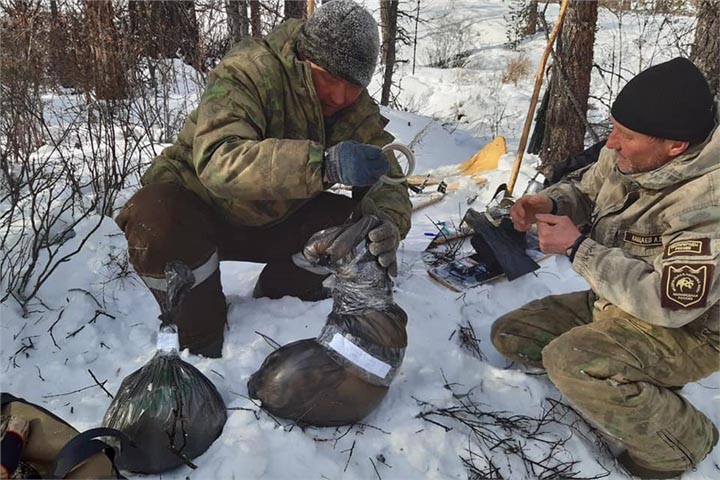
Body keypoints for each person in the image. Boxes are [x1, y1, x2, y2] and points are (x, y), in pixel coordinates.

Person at [116, 0, 411, 358]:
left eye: (352, 85)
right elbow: (219, 159)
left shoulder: (354, 108)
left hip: (276, 219)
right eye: (329, 78)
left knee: (353, 224)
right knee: (154, 217)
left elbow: (389, 172)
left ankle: (281, 292)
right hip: (199, 212)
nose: (339, 96)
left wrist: (389, 221)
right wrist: (323, 165)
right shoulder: (251, 71)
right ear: (305, 58)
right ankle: (199, 331)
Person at [491, 57, 719, 479]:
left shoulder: (707, 204)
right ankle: (629, 378)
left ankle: (683, 445)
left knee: (571, 360)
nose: (610, 142)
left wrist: (578, 249)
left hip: (691, 330)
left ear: (676, 146)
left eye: (625, 135)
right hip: (618, 300)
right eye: (613, 127)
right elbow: (587, 187)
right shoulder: (636, 154)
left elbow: (671, 303)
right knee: (513, 336)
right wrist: (551, 201)